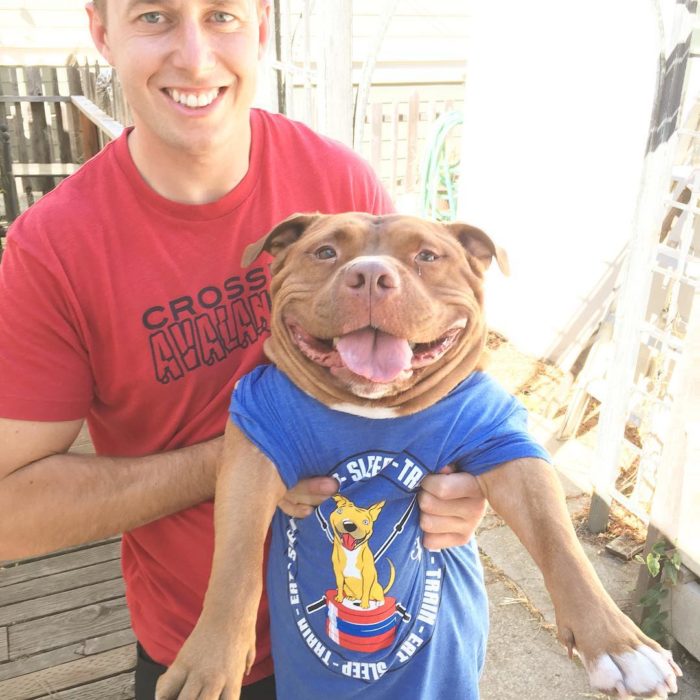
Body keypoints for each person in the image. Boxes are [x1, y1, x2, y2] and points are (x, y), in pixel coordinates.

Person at [0, 1, 487, 698]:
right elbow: (8, 511)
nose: (195, 57)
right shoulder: (55, 248)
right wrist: (251, 457)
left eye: (222, 15)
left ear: (262, 27)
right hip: (210, 653)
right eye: (154, 17)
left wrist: (463, 488)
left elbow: (425, 382)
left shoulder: (339, 186)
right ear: (102, 31)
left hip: (379, 629)